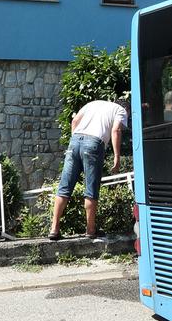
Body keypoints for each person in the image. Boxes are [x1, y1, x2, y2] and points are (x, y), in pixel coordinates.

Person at [49, 96, 128, 240]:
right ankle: (91, 230)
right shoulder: (121, 110)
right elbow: (116, 130)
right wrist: (117, 156)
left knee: (65, 186)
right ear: (126, 108)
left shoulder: (93, 104)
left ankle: (54, 229)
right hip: (94, 144)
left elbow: (74, 121)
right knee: (91, 188)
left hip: (75, 140)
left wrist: (76, 142)